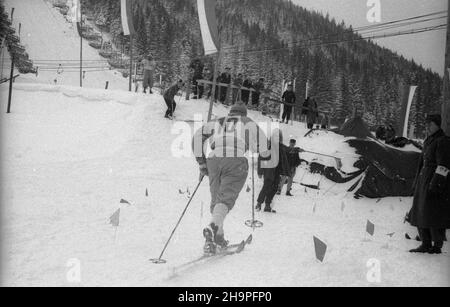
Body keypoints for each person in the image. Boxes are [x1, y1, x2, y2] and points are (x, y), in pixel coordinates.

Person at [192, 103, 267, 254]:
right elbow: (264, 145)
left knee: (217, 200)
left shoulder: (217, 121)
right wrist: (260, 153)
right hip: (235, 158)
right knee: (225, 199)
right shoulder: (247, 122)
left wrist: (202, 162)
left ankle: (216, 237)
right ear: (244, 113)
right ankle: (213, 227)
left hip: (214, 159)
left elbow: (197, 138)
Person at [408, 114, 450, 254]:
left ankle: (437, 245)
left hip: (435, 182)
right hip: (423, 180)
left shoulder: (442, 141)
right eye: (426, 124)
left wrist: (436, 184)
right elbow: (422, 162)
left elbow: (443, 164)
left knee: (434, 213)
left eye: (430, 124)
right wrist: (417, 181)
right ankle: (425, 243)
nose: (427, 127)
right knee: (420, 211)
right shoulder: (428, 140)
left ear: (438, 125)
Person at [256, 129, 290, 213]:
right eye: (276, 136)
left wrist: (297, 149)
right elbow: (260, 158)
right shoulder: (267, 145)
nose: (277, 138)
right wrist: (260, 171)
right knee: (267, 186)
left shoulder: (281, 147)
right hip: (268, 169)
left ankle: (267, 204)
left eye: (279, 136)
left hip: (277, 170)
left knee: (274, 188)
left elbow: (289, 150)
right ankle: (259, 203)